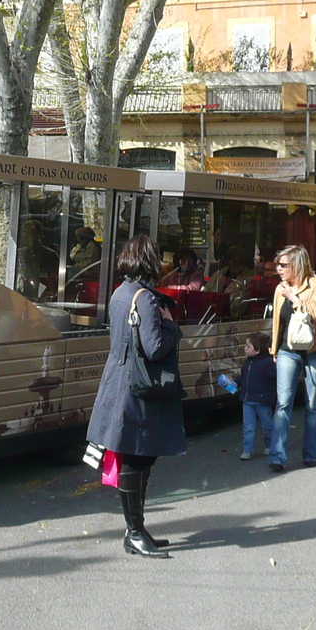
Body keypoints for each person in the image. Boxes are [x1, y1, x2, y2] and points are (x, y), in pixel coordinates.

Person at [86, 234, 184, 559]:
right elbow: (155, 347)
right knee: (137, 458)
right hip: (139, 391)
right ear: (151, 261)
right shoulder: (145, 298)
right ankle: (135, 532)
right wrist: (172, 327)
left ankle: (137, 530)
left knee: (137, 457)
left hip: (119, 383)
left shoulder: (120, 292)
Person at [268, 245, 316, 470]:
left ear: (297, 265)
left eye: (284, 265)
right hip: (287, 351)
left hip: (315, 351)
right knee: (283, 403)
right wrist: (274, 351)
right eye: (278, 264)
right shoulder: (279, 289)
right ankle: (277, 457)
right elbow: (278, 322)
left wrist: (294, 298)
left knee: (312, 405)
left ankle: (310, 455)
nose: (279, 269)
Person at [236, 331, 276, 461]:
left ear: (257, 350)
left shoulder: (267, 363)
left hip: (260, 400)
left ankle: (269, 446)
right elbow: (243, 378)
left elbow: (273, 376)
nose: (245, 348)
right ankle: (248, 450)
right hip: (250, 400)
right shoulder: (248, 363)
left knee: (267, 425)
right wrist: (235, 383)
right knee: (249, 426)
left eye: (248, 346)